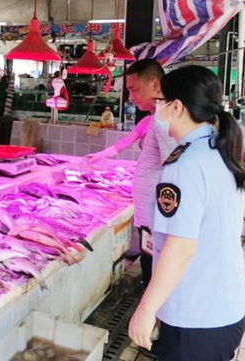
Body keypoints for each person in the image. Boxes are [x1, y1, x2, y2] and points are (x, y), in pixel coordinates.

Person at [128, 65, 245, 361]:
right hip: (226, 304)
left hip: (199, 317)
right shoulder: (216, 148)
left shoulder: (183, 165)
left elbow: (181, 247)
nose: (156, 109)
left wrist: (145, 311)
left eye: (161, 102)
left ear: (175, 107)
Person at [86, 59, 175, 287]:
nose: (131, 97)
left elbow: (175, 167)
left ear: (155, 85)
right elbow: (125, 143)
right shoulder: (152, 119)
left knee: (154, 268)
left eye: (134, 89)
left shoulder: (165, 119)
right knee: (149, 262)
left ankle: (152, 310)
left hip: (158, 213)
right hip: (150, 213)